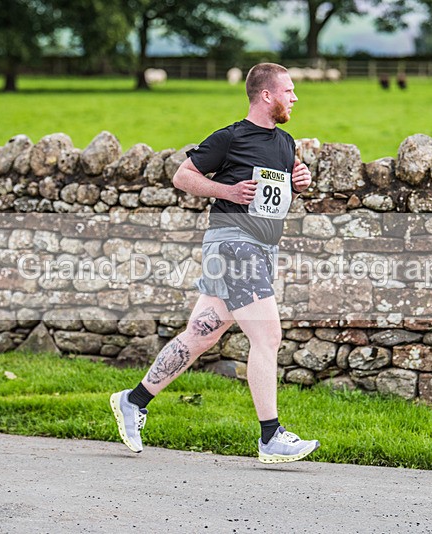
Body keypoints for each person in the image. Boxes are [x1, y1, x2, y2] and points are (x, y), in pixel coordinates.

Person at [110, 63, 319, 464]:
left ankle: (132, 401)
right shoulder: (230, 137)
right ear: (266, 95)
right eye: (289, 91)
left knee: (202, 333)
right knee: (267, 336)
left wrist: (300, 184)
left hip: (263, 247)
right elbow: (183, 176)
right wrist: (227, 190)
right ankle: (270, 436)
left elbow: (278, 193)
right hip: (233, 244)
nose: (295, 98)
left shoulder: (287, 142)